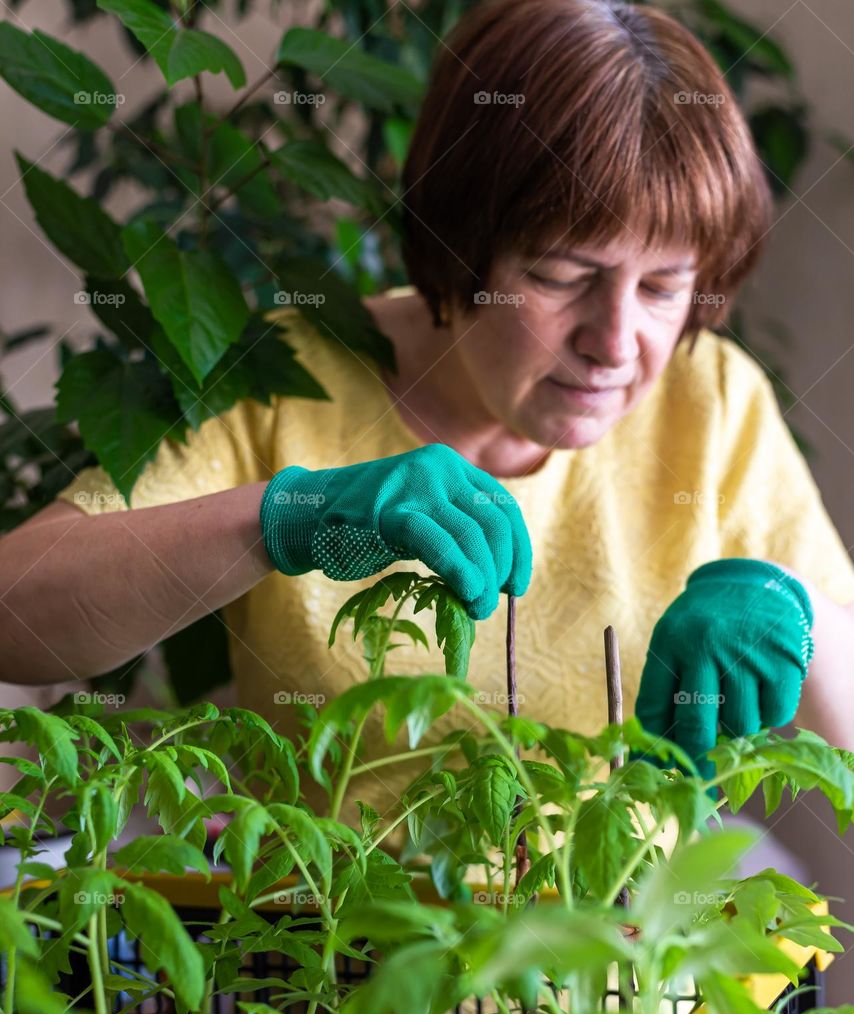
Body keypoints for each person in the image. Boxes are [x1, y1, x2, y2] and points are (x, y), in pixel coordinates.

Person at [2, 0, 854, 840]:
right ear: (457, 247)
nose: (616, 343)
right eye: (562, 276)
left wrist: (793, 614)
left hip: (615, 963)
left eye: (665, 286)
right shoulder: (287, 374)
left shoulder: (714, 399)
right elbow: (16, 615)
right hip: (320, 953)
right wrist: (286, 517)